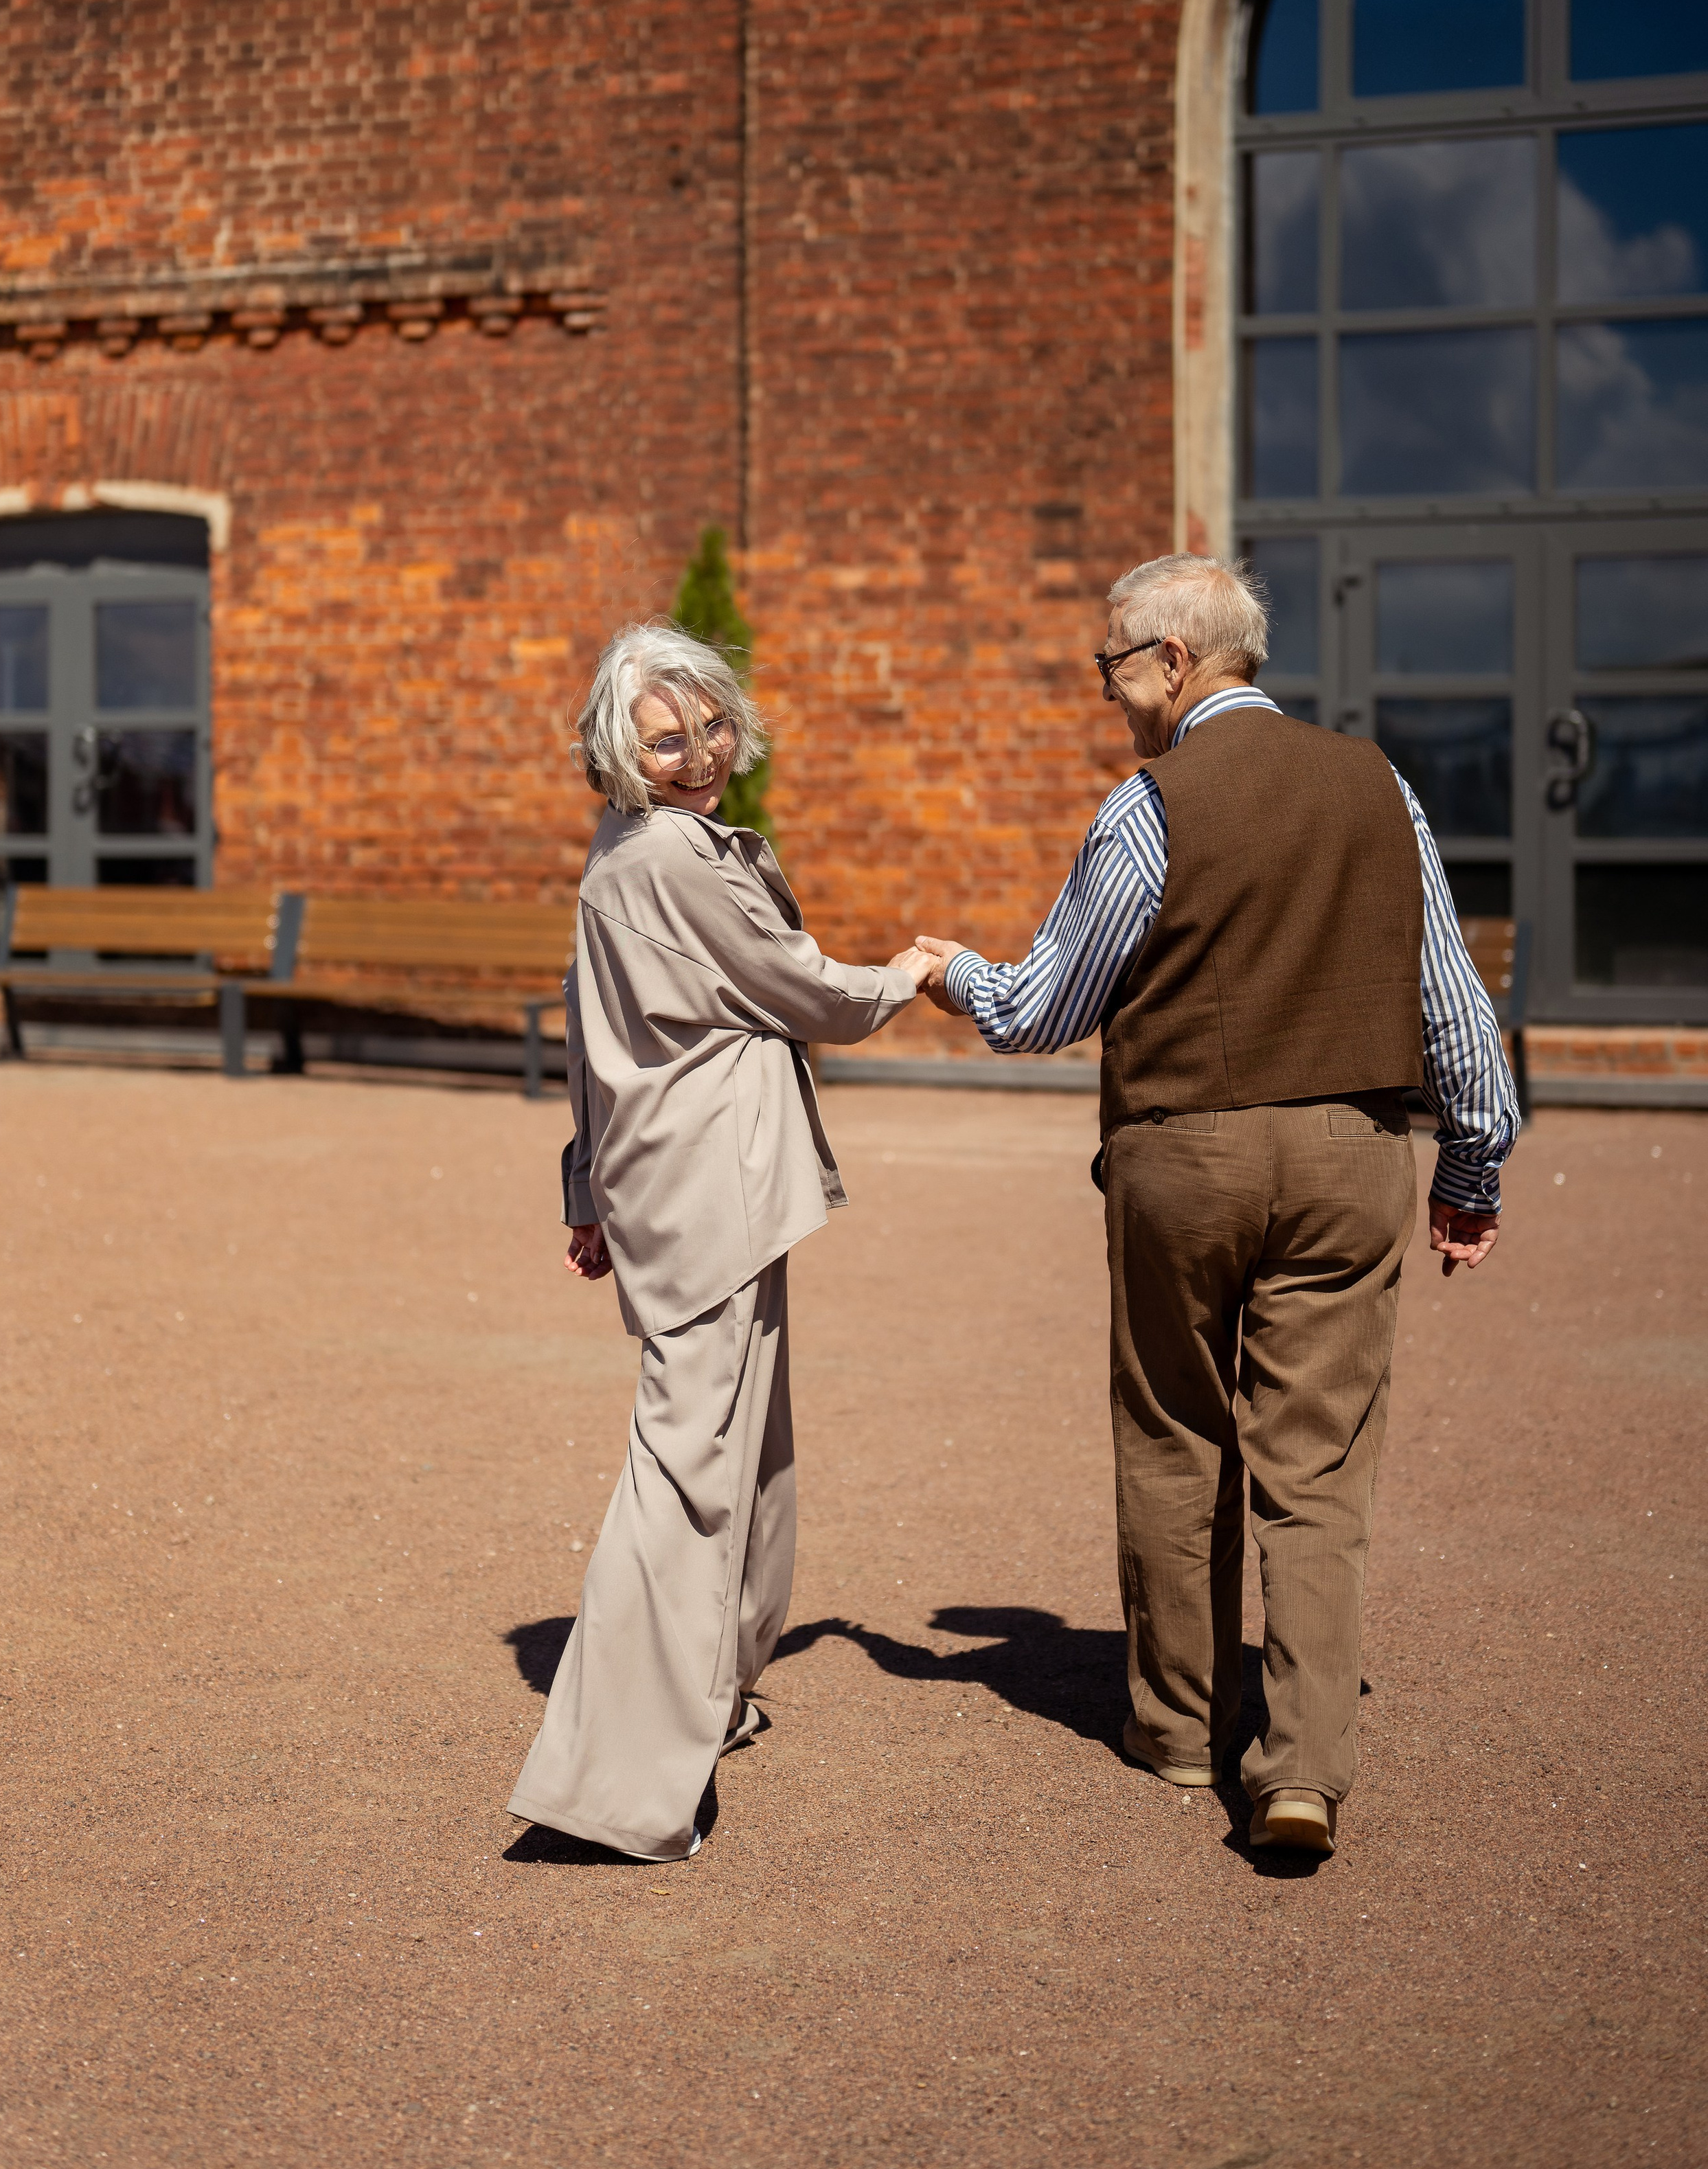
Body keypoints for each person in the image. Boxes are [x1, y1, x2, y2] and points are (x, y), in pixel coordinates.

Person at [914, 554, 1518, 1856]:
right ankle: (1299, 1762)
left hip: (1184, 1157)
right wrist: (1470, 1172)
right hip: (1355, 1150)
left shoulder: (1149, 805)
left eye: (1114, 662)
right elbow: (1457, 1010)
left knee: (1178, 1433)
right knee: (1319, 1465)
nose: (1111, 689)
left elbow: (1042, 1009)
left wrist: (949, 969)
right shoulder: (1380, 786)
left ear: (1175, 662)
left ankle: (1182, 1728)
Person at [508, 620, 931, 1863]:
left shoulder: (625, 852)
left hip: (692, 1186)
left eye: (709, 727)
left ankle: (709, 1697)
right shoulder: (671, 857)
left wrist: (584, 1185)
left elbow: (592, 1030)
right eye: (666, 738)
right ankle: (616, 1782)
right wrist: (907, 973)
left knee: (749, 1451)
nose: (698, 754)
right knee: (692, 1464)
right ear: (620, 751)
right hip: (708, 1190)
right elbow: (798, 984)